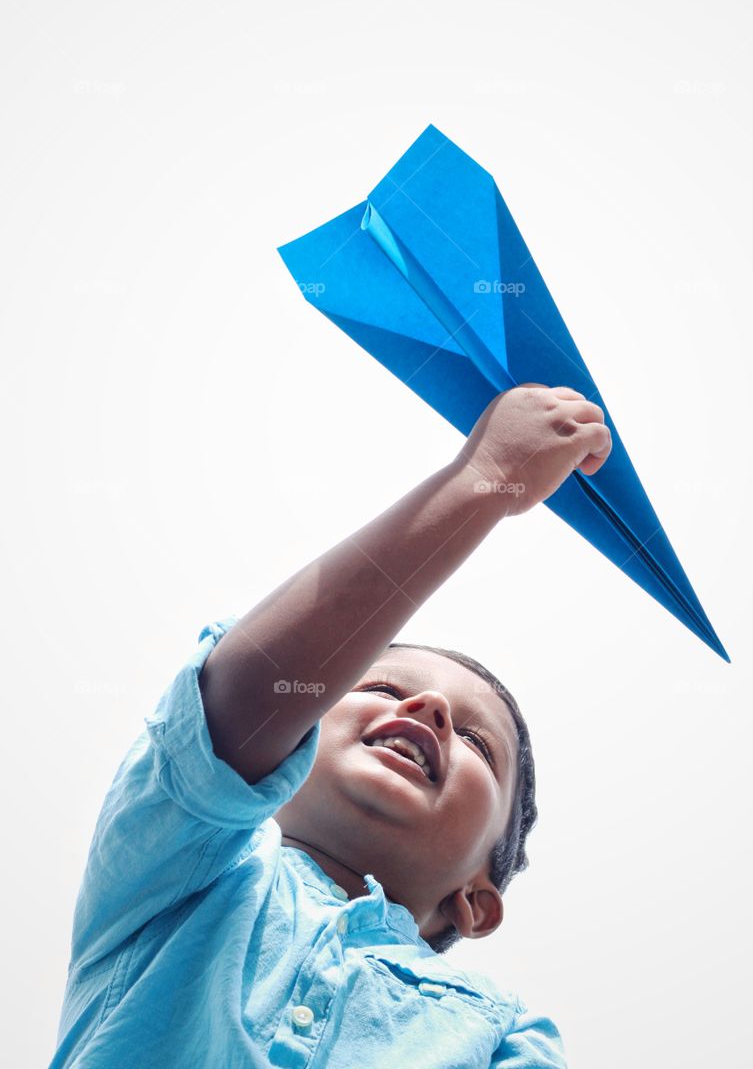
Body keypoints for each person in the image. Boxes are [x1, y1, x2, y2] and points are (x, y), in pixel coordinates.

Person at [50, 383, 611, 1067]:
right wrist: (479, 483)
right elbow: (246, 700)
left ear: (475, 900)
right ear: (286, 758)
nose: (427, 711)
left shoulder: (500, 1033)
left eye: (473, 741)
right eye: (375, 686)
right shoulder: (179, 868)